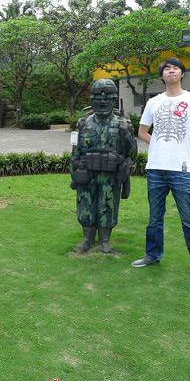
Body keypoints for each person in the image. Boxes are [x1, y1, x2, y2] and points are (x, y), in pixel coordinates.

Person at [131, 57, 190, 280]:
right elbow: (142, 131)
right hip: (155, 168)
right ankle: (152, 255)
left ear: (182, 73)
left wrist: (186, 147)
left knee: (189, 218)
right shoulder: (153, 102)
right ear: (162, 75)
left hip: (182, 170)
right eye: (166, 68)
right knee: (154, 218)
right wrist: (158, 144)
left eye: (175, 68)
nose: (171, 71)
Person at [70, 79, 138, 254]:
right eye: (98, 98)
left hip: (110, 176)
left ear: (113, 100)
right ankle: (87, 239)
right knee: (85, 206)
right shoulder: (83, 123)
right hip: (87, 174)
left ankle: (105, 240)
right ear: (92, 100)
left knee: (107, 206)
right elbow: (75, 150)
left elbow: (133, 154)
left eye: (108, 98)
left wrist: (126, 135)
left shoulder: (123, 124)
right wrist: (74, 173)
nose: (102, 102)